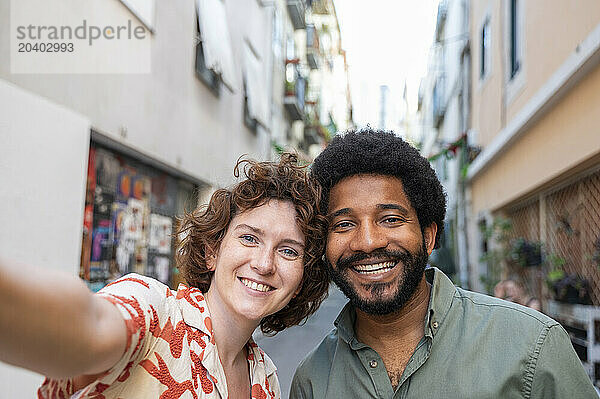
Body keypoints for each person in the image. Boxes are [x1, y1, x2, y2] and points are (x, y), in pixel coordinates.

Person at [290, 128, 597, 398]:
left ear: (428, 235)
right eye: (343, 224)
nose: (368, 242)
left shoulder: (533, 346)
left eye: (391, 219)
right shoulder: (311, 381)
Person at [0, 154, 329, 399]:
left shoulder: (266, 380)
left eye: (288, 251)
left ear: (301, 279)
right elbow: (88, 326)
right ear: (212, 251)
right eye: (249, 238)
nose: (264, 263)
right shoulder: (155, 314)